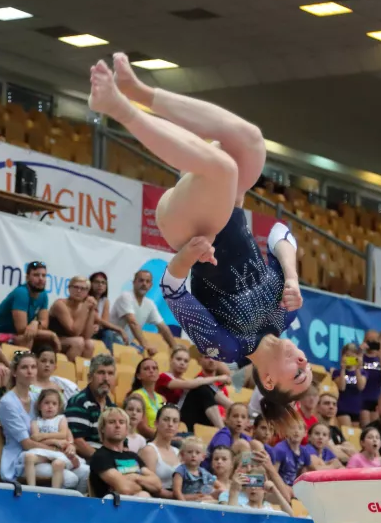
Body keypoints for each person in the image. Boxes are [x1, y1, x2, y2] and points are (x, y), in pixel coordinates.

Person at [88, 55, 305, 412]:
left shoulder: (226, 347)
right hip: (227, 205)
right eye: (306, 368)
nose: (302, 362)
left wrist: (189, 255)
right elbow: (281, 233)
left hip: (189, 226)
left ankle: (119, 108)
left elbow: (171, 289)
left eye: (297, 375)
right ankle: (138, 91)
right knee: (250, 141)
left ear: (268, 381)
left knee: (224, 168)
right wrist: (292, 277)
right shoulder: (287, 314)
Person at [0, 352, 80, 487]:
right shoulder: (7, 403)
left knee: (85, 472)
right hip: (22, 459)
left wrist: (70, 443)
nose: (30, 371)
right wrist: (57, 451)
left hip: (46, 452)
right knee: (71, 478)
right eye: (24, 367)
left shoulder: (37, 395)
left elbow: (60, 420)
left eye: (33, 367)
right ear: (14, 372)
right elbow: (26, 444)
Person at [88, 407, 163, 498]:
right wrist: (145, 485)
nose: (117, 425)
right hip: (113, 505)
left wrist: (135, 477)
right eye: (112, 422)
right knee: (144, 494)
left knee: (144, 495)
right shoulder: (100, 456)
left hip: (137, 502)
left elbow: (157, 485)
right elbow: (125, 489)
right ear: (102, 429)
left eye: (121, 422)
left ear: (127, 430)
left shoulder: (133, 456)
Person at [0, 262, 58, 350]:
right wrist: (51, 334)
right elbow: (21, 330)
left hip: (11, 336)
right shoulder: (21, 293)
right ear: (27, 278)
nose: (41, 279)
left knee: (46, 344)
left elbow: (44, 323)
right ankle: (20, 358)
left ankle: (31, 358)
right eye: (36, 275)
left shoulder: (43, 295)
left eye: (43, 275)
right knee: (27, 338)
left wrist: (36, 323)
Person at [108, 270, 178, 356]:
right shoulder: (126, 297)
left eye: (147, 281)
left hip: (126, 343)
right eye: (141, 280)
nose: (144, 284)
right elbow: (132, 323)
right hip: (111, 340)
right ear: (134, 282)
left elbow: (163, 327)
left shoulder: (149, 303)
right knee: (140, 353)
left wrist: (176, 349)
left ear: (150, 285)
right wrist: (146, 346)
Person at [23, 389, 81, 489]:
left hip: (58, 453)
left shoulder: (61, 419)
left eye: (54, 404)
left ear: (58, 407)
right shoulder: (35, 422)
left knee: (58, 464)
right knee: (28, 457)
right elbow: (35, 438)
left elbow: (62, 434)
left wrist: (43, 436)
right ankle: (31, 489)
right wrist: (54, 441)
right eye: (46, 403)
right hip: (42, 451)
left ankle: (55, 491)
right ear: (39, 406)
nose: (50, 406)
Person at [65, 353, 117, 460]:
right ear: (89, 377)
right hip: (87, 460)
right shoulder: (79, 402)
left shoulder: (113, 407)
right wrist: (104, 461)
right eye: (101, 373)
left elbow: (122, 441)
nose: (106, 378)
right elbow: (77, 441)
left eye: (110, 373)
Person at [157, 346, 230, 420]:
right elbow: (189, 384)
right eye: (178, 359)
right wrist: (218, 378)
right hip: (169, 413)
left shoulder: (184, 380)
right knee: (202, 385)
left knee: (202, 387)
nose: (182, 363)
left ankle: (232, 408)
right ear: (171, 359)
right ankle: (232, 407)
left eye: (186, 361)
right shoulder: (163, 376)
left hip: (183, 414)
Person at [138, 404, 182, 498]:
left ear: (178, 426)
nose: (170, 424)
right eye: (166, 419)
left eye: (175, 421)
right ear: (156, 423)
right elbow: (151, 487)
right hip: (158, 501)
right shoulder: (149, 450)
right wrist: (181, 497)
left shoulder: (178, 452)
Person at [49, 276, 97, 360]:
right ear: (69, 288)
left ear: (87, 292)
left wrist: (92, 311)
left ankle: (83, 368)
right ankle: (67, 368)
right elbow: (73, 332)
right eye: (76, 287)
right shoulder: (60, 304)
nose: (79, 291)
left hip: (69, 341)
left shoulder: (84, 307)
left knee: (89, 344)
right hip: (53, 340)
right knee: (78, 342)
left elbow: (87, 336)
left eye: (83, 289)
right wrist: (85, 308)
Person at [88, 271, 128, 351]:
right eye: (97, 282)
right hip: (86, 330)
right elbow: (96, 319)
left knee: (118, 341)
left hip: (98, 331)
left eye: (103, 283)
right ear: (90, 284)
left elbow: (104, 322)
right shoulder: (87, 298)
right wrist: (119, 329)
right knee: (109, 334)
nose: (100, 285)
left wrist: (98, 326)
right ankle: (107, 357)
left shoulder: (105, 301)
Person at [172, 437, 216, 502]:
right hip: (185, 502)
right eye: (190, 452)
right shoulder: (181, 471)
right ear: (182, 455)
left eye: (197, 453)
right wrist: (183, 504)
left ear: (203, 457)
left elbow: (217, 484)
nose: (193, 455)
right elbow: (176, 491)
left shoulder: (204, 472)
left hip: (200, 502)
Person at [270, 419, 312, 487]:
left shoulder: (305, 452)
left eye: (300, 428)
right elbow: (273, 475)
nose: (296, 431)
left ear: (305, 433)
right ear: (286, 431)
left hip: (295, 488)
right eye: (293, 427)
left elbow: (303, 477)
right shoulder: (279, 449)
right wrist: (286, 489)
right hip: (279, 487)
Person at [331, 342, 365, 425]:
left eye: (352, 357)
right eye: (347, 356)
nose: (350, 359)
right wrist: (343, 369)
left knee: (355, 432)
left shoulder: (362, 373)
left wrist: (357, 368)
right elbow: (342, 387)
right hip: (342, 408)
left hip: (356, 409)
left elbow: (361, 387)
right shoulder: (337, 372)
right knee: (347, 430)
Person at [359, 331, 381, 426]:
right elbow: (353, 368)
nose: (371, 344)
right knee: (366, 427)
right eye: (369, 341)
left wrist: (380, 357)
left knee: (375, 428)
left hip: (375, 398)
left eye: (374, 342)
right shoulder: (361, 357)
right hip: (362, 398)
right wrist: (360, 352)